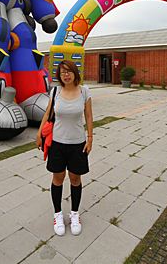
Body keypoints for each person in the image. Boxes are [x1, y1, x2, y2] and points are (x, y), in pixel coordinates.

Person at [36, 60, 94, 236]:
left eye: (69, 71)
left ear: (75, 72)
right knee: (58, 178)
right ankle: (58, 215)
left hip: (78, 143)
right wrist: (39, 133)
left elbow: (88, 116)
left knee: (75, 178)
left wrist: (90, 138)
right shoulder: (55, 92)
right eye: (62, 72)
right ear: (59, 76)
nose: (66, 75)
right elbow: (47, 113)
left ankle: (75, 214)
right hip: (57, 144)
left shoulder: (84, 91)